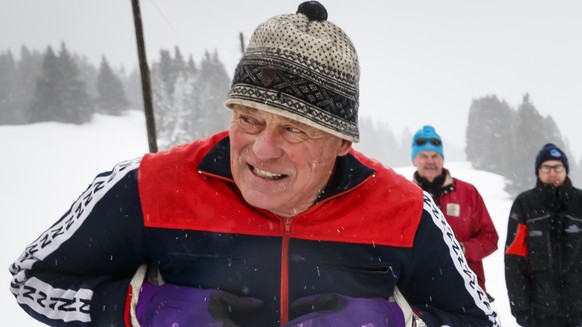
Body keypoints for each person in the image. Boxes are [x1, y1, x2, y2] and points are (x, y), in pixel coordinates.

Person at [9, 2, 497, 326]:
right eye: (249, 119)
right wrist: (142, 308)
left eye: (293, 129)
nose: (262, 150)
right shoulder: (151, 184)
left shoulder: (405, 209)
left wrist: (394, 320)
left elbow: (479, 321)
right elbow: (31, 280)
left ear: (342, 142)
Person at [410, 125, 499, 296]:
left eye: (435, 155)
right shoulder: (405, 196)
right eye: (423, 156)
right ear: (414, 160)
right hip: (420, 292)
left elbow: (490, 239)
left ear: (442, 159)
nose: (430, 161)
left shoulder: (468, 193)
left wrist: (462, 249)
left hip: (467, 291)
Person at [505, 143, 582, 327]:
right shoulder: (524, 204)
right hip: (539, 314)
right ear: (538, 171)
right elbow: (514, 261)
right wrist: (521, 308)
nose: (552, 173)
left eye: (558, 167)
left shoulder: (580, 202)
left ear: (566, 170)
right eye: (546, 167)